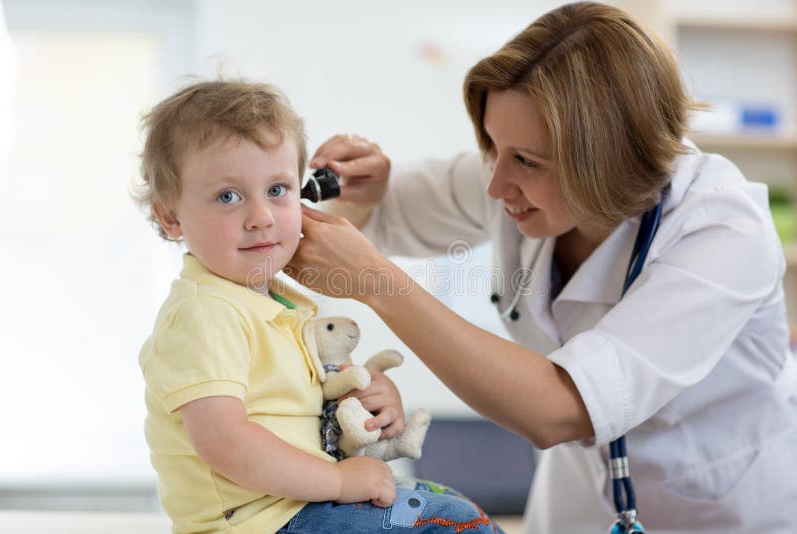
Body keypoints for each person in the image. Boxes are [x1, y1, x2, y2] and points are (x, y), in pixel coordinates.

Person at [287, 3, 797, 533]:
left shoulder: (722, 229)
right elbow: (367, 218)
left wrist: (377, 284)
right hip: (575, 507)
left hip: (717, 511)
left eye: (526, 161)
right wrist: (357, 189)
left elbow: (559, 409)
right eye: (493, 147)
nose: (495, 185)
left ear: (608, 158)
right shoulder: (512, 178)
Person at [133, 80, 504, 534]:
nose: (261, 216)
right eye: (228, 196)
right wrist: (336, 480)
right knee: (453, 524)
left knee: (451, 507)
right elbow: (225, 442)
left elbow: (310, 413)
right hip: (263, 522)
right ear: (171, 217)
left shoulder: (283, 305)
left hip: (300, 508)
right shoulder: (204, 313)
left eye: (277, 190)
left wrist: (366, 400)